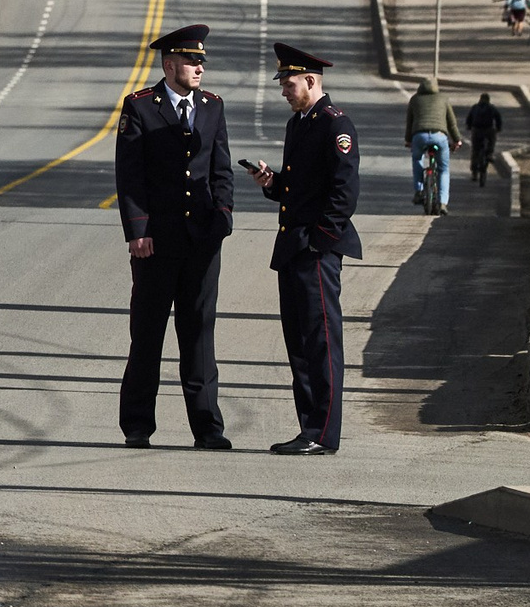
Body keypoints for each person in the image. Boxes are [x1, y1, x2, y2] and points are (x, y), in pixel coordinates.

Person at [113, 25, 234, 451]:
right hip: (156, 243)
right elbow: (129, 176)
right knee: (147, 334)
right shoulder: (141, 107)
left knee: (199, 334)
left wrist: (222, 219)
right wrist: (138, 230)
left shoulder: (213, 107)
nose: (199, 67)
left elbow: (221, 170)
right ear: (169, 65)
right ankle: (137, 425)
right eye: (191, 61)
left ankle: (208, 428)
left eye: (201, 61)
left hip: (201, 242)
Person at [249, 43, 363, 455]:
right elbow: (298, 188)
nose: (283, 90)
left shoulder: (336, 125)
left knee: (322, 340)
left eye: (288, 82)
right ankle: (308, 428)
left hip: (315, 249)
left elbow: (343, 194)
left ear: (310, 81)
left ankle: (323, 433)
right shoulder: (299, 124)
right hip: (292, 246)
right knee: (298, 342)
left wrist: (319, 243)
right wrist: (272, 183)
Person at [404, 77, 463, 215]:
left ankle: (418, 191)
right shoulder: (443, 99)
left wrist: (408, 140)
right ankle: (442, 202)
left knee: (417, 159)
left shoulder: (415, 99)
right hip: (439, 136)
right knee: (443, 169)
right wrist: (457, 140)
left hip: (419, 136)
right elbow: (451, 123)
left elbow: (409, 122)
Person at [465, 92, 503, 188]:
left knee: (475, 150)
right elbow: (498, 118)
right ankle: (490, 153)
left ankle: (474, 172)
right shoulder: (491, 107)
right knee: (492, 139)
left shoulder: (475, 107)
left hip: (476, 130)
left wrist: (469, 127)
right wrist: (498, 128)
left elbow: (469, 119)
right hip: (488, 130)